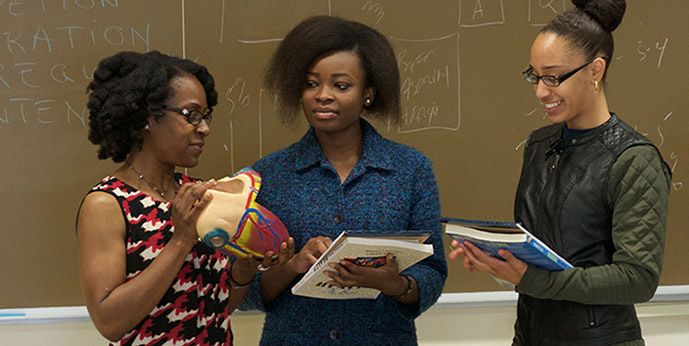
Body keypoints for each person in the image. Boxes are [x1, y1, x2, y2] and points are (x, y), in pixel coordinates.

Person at [449, 0, 671, 345]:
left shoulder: (633, 159)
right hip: (530, 335)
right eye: (534, 76)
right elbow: (542, 247)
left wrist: (532, 279)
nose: (540, 91)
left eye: (553, 77)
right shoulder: (540, 144)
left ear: (595, 70)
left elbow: (638, 278)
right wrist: (498, 259)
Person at [237, 16, 447, 345]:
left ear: (368, 94)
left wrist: (394, 284)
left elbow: (433, 272)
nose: (322, 95)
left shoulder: (410, 169)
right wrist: (292, 266)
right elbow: (244, 290)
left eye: (341, 85)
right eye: (310, 84)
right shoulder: (268, 175)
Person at [76, 51, 287, 345]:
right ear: (147, 117)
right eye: (191, 115)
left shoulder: (199, 193)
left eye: (205, 116)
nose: (205, 128)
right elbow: (110, 323)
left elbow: (215, 308)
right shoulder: (108, 204)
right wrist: (181, 240)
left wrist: (245, 268)